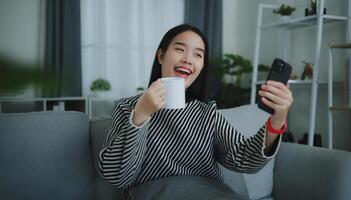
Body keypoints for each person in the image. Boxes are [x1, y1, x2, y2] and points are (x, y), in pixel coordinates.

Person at [98, 24, 293, 200]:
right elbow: (118, 176)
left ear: (201, 67)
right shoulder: (127, 107)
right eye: (180, 49)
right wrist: (141, 115)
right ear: (161, 56)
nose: (188, 59)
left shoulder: (207, 113)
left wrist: (276, 122)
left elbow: (243, 159)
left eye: (198, 55)